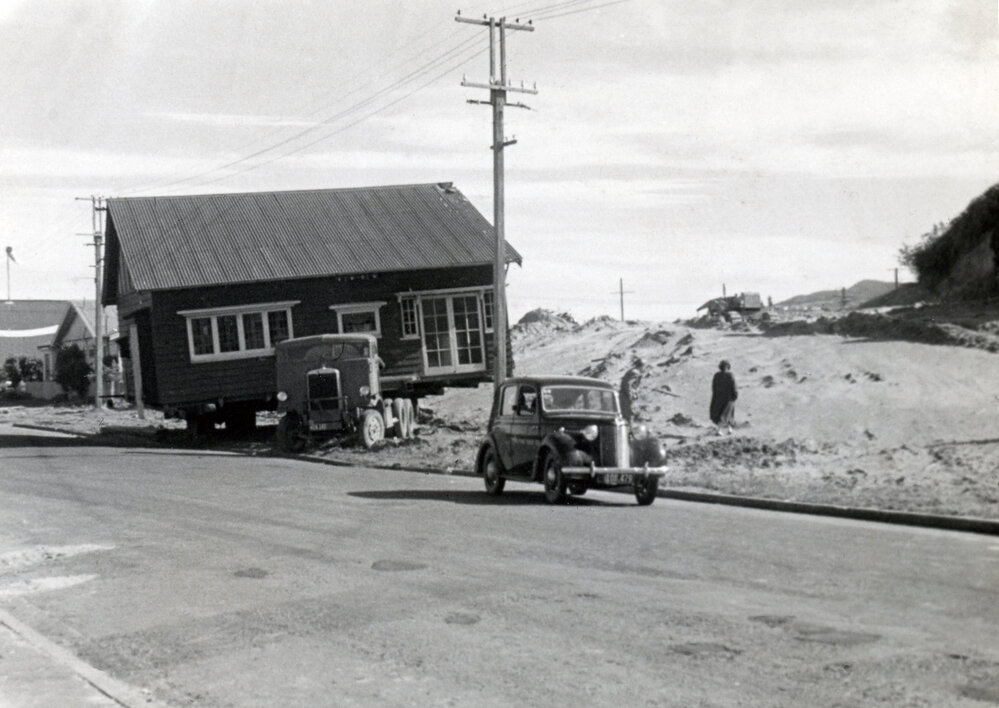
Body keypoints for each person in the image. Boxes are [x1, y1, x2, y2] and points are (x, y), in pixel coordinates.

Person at [709, 360, 738, 434]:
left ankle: (723, 429)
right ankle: (727, 429)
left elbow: (713, 387)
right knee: (728, 413)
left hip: (719, 397)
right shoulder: (730, 375)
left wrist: (715, 396)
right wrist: (735, 395)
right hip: (729, 398)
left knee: (720, 413)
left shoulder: (716, 375)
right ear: (728, 367)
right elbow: (734, 386)